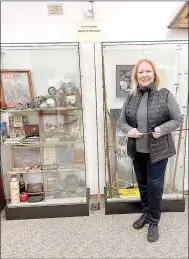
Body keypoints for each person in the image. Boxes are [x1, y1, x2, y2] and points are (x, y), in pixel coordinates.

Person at [118, 58, 183, 243]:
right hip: (137, 150)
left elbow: (178, 119)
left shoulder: (165, 94)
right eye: (141, 72)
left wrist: (162, 128)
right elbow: (121, 122)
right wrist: (128, 130)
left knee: (155, 187)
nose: (144, 75)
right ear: (136, 76)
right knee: (143, 185)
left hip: (159, 151)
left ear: (154, 74)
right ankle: (146, 214)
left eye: (148, 71)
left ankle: (154, 221)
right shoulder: (131, 97)